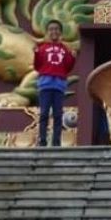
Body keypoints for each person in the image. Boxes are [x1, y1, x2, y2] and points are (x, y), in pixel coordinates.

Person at [33, 19, 76, 147]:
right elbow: (37, 66)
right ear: (47, 32)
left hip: (59, 85)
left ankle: (56, 142)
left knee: (58, 114)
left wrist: (73, 58)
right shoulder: (42, 49)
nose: (54, 31)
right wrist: (35, 54)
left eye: (56, 29)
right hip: (45, 84)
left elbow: (67, 68)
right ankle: (42, 140)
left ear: (60, 32)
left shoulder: (65, 49)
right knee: (44, 113)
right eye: (51, 29)